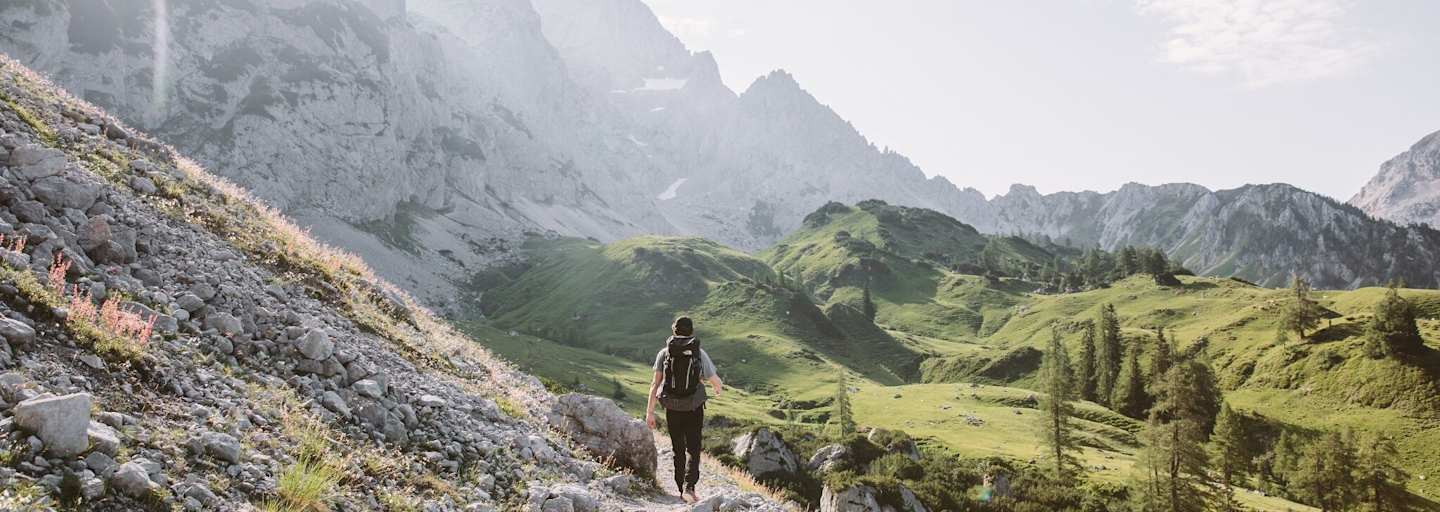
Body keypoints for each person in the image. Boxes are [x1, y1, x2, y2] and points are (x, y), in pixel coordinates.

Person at [646, 316, 722, 503]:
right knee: (693, 449)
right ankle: (690, 488)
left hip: (672, 407)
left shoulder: (665, 353)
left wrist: (650, 412)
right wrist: (718, 388)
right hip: (694, 407)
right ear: (691, 331)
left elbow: (655, 384)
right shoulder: (698, 352)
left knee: (677, 448)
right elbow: (715, 381)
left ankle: (680, 488)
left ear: (674, 330)